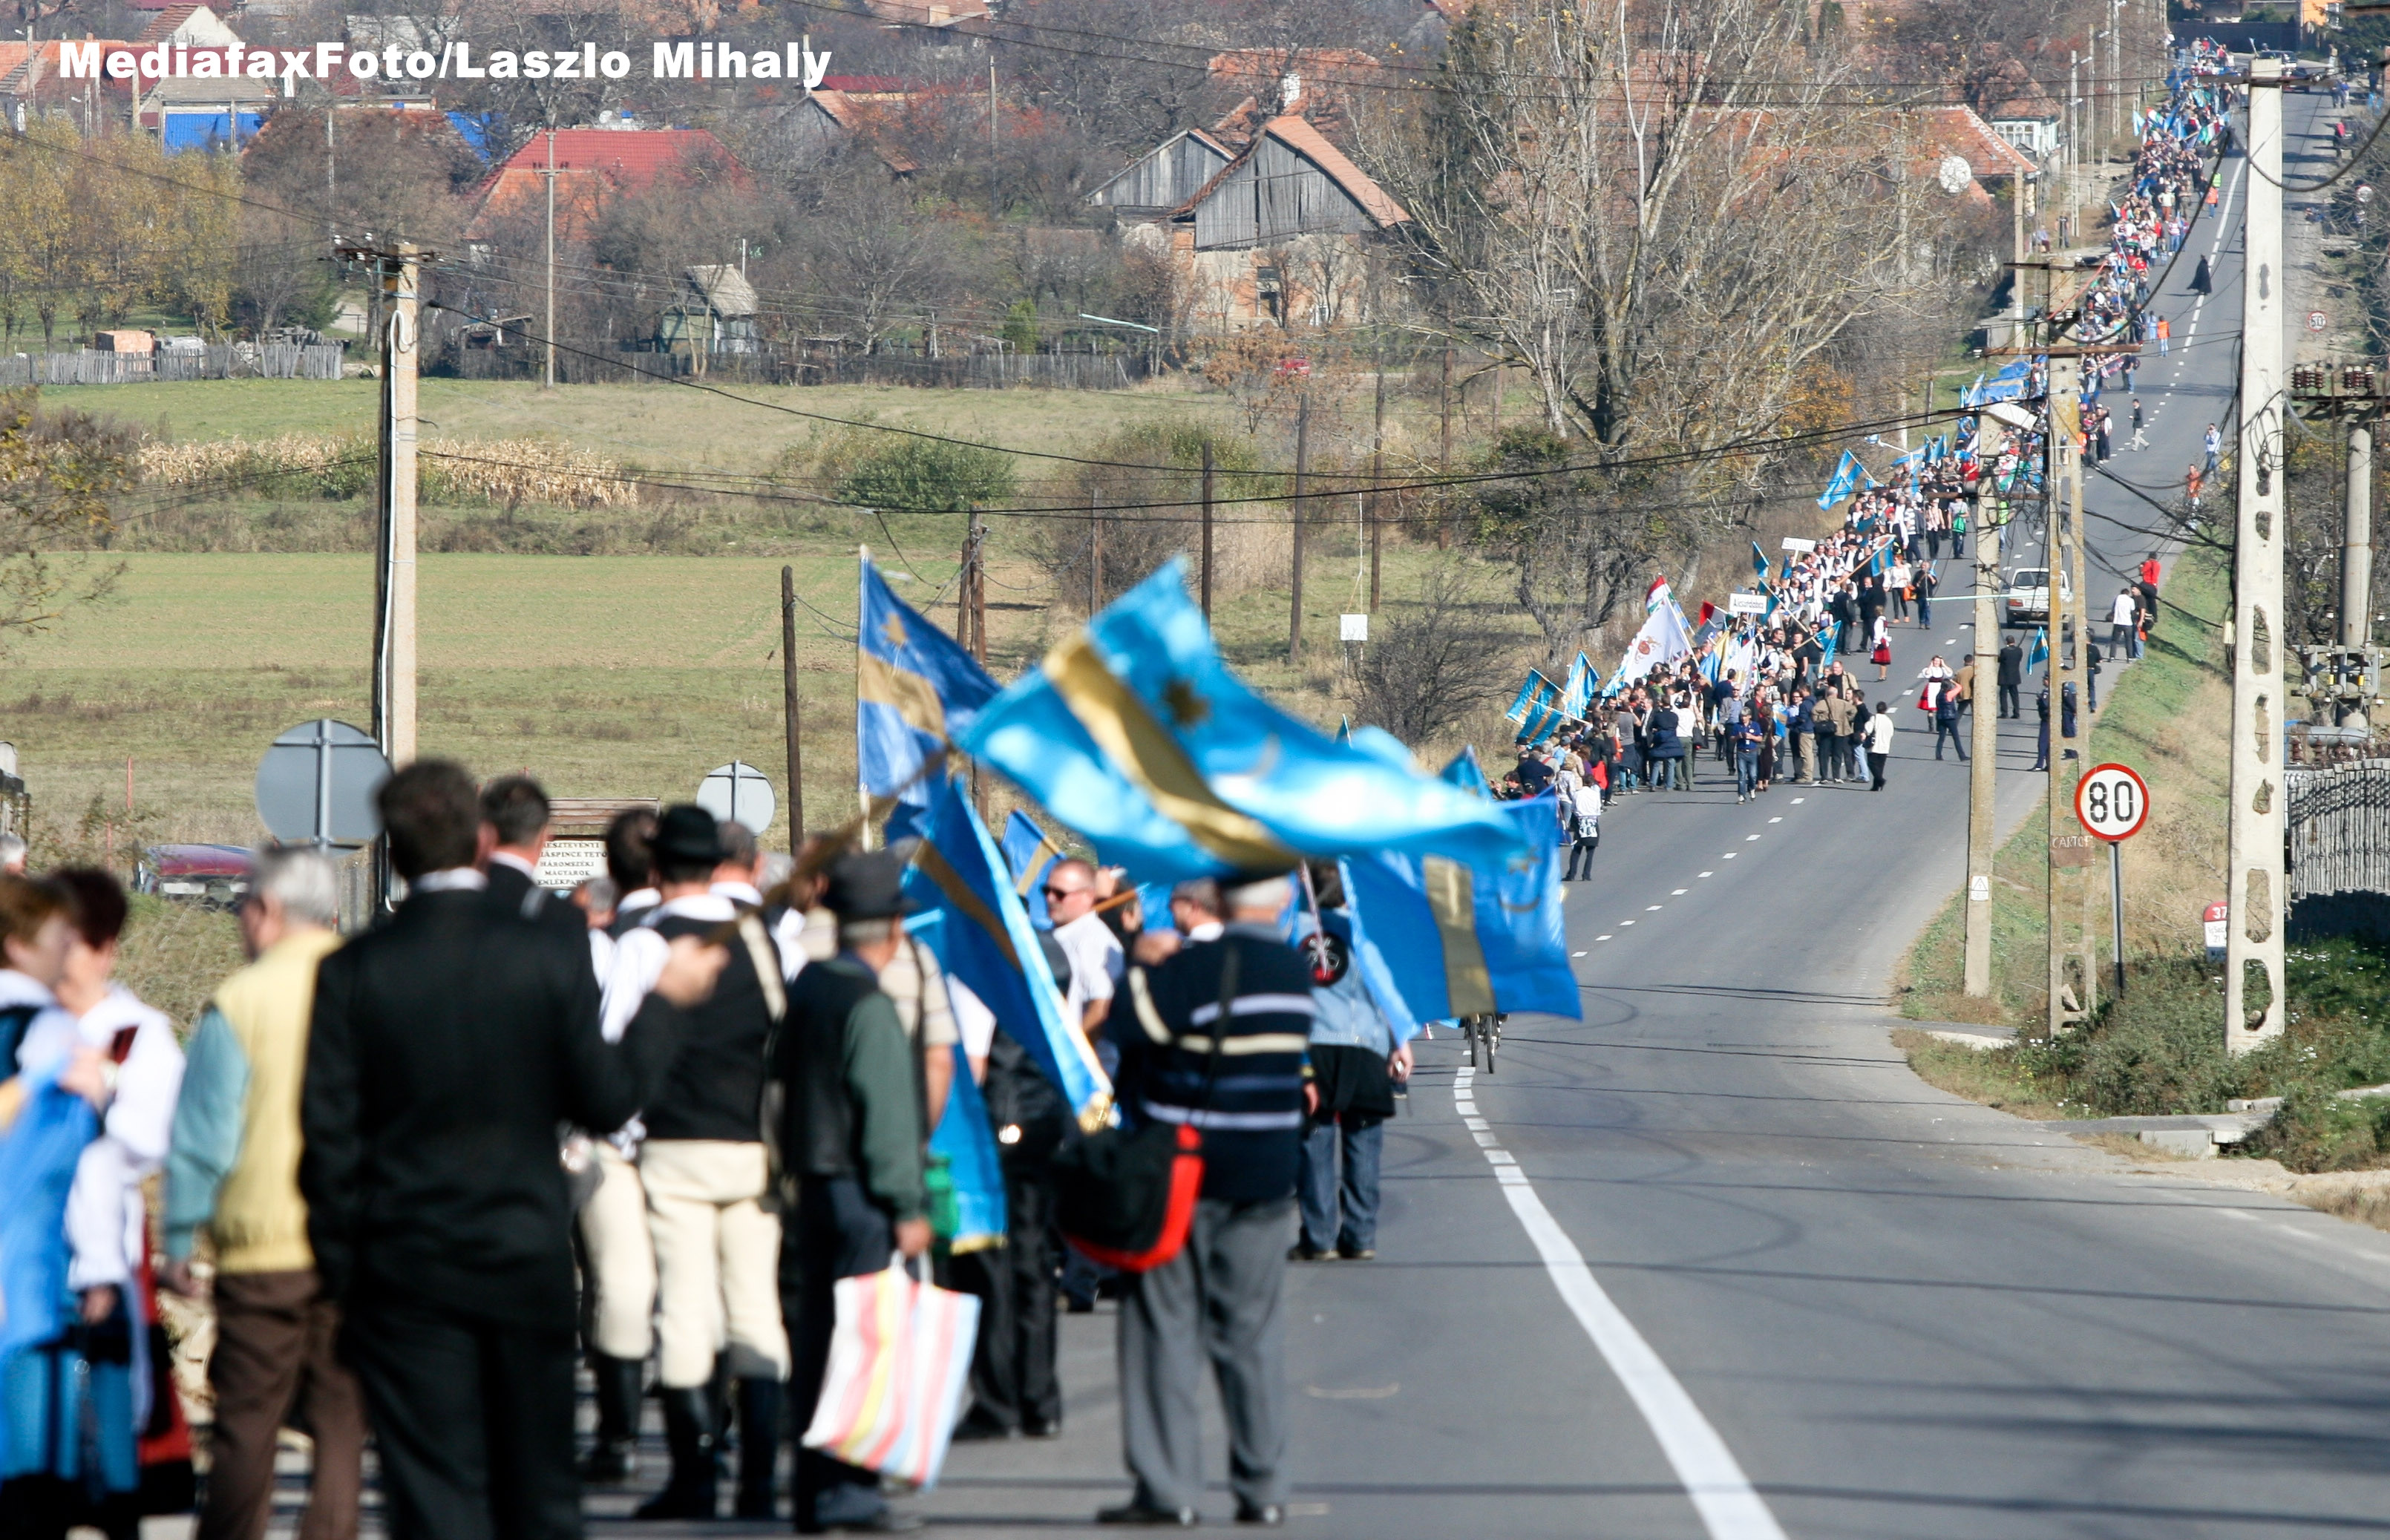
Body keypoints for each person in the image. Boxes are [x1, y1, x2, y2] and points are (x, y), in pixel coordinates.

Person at [299, 760, 722, 1540]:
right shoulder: (546, 951)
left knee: (430, 1492)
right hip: (520, 1253)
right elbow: (606, 1099)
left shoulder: (353, 970)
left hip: (403, 1264)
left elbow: (324, 1144)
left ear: (392, 851)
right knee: (538, 1487)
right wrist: (664, 1003)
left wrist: (342, 1272)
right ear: (482, 838)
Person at [162, 849, 365, 1540]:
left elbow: (201, 1137)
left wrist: (180, 1238)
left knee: (248, 1423)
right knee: (342, 1421)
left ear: (269, 912)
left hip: (263, 1249)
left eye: (244, 906)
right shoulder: (376, 986)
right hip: (358, 1243)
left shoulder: (241, 1000)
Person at [1100, 871, 1310, 1528]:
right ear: (1280, 901)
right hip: (1267, 1172)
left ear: (1215, 898)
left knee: (1163, 1328)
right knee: (1252, 1332)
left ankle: (1169, 1488)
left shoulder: (1196, 967)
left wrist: (1138, 963)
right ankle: (1264, 1485)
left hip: (1182, 1172)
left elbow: (1131, 1026)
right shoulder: (1293, 970)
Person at [613, 805, 790, 1521]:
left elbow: (618, 1044)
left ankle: (694, 1475)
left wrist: (628, 1138)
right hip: (754, 1145)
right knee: (756, 1309)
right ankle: (757, 1478)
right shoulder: (765, 939)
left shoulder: (645, 941)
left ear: (656, 871)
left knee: (686, 1310)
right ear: (721, 866)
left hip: (676, 1144)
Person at [2, 868, 189, 1540]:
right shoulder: (33, 1025)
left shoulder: (137, 1032)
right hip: (30, 1262)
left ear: (104, 946)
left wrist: (103, 1099)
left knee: (104, 1457)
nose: (60, 954)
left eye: (72, 940)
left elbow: (149, 1140)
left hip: (99, 1255)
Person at [768, 851, 932, 1535]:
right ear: (894, 928)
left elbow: (775, 1090)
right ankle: (850, 1492)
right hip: (862, 1193)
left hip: (811, 1182)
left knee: (818, 1340)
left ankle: (814, 1490)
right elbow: (889, 1119)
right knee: (865, 1344)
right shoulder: (871, 1004)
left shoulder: (806, 985)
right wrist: (909, 1205)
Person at [1291, 865, 1410, 1264]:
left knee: (1314, 1142)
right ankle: (1360, 1234)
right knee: (1363, 1142)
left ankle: (1319, 1235)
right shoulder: (1369, 930)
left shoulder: (1292, 928)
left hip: (1315, 1046)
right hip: (1365, 1046)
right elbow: (1388, 990)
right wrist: (1400, 1042)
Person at [1565, 774, 1602, 876]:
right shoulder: (1595, 794)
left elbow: (1573, 808)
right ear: (1592, 783)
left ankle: (1572, 873)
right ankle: (1587, 874)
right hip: (1592, 821)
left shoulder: (1577, 794)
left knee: (1577, 850)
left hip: (1580, 821)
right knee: (1590, 851)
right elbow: (1598, 808)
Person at [1931, 684, 1968, 761]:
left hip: (1941, 718)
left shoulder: (1939, 695)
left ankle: (1938, 755)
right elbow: (1959, 687)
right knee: (1956, 738)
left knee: (1941, 738)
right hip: (1950, 719)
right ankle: (1962, 756)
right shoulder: (1949, 694)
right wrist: (1953, 681)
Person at [1865, 702, 1896, 791]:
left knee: (1871, 764)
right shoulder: (1888, 721)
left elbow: (1868, 729)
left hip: (1874, 747)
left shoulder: (1874, 718)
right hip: (1885, 747)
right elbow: (1891, 733)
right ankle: (1876, 786)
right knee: (1880, 767)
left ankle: (1880, 780)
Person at [1997, 639, 2025, 719]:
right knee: (2015, 695)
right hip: (2015, 676)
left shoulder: (2004, 651)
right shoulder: (2019, 651)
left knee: (2003, 695)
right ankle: (2017, 713)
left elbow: (2000, 660)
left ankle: (2004, 712)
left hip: (2004, 677)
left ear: (2007, 642)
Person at [2112, 586, 2141, 660]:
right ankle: (2129, 656)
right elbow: (2132, 610)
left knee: (2114, 640)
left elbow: (2113, 609)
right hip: (2128, 623)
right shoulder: (2130, 600)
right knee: (2128, 640)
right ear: (2128, 593)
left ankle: (2112, 656)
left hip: (2118, 622)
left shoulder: (2117, 598)